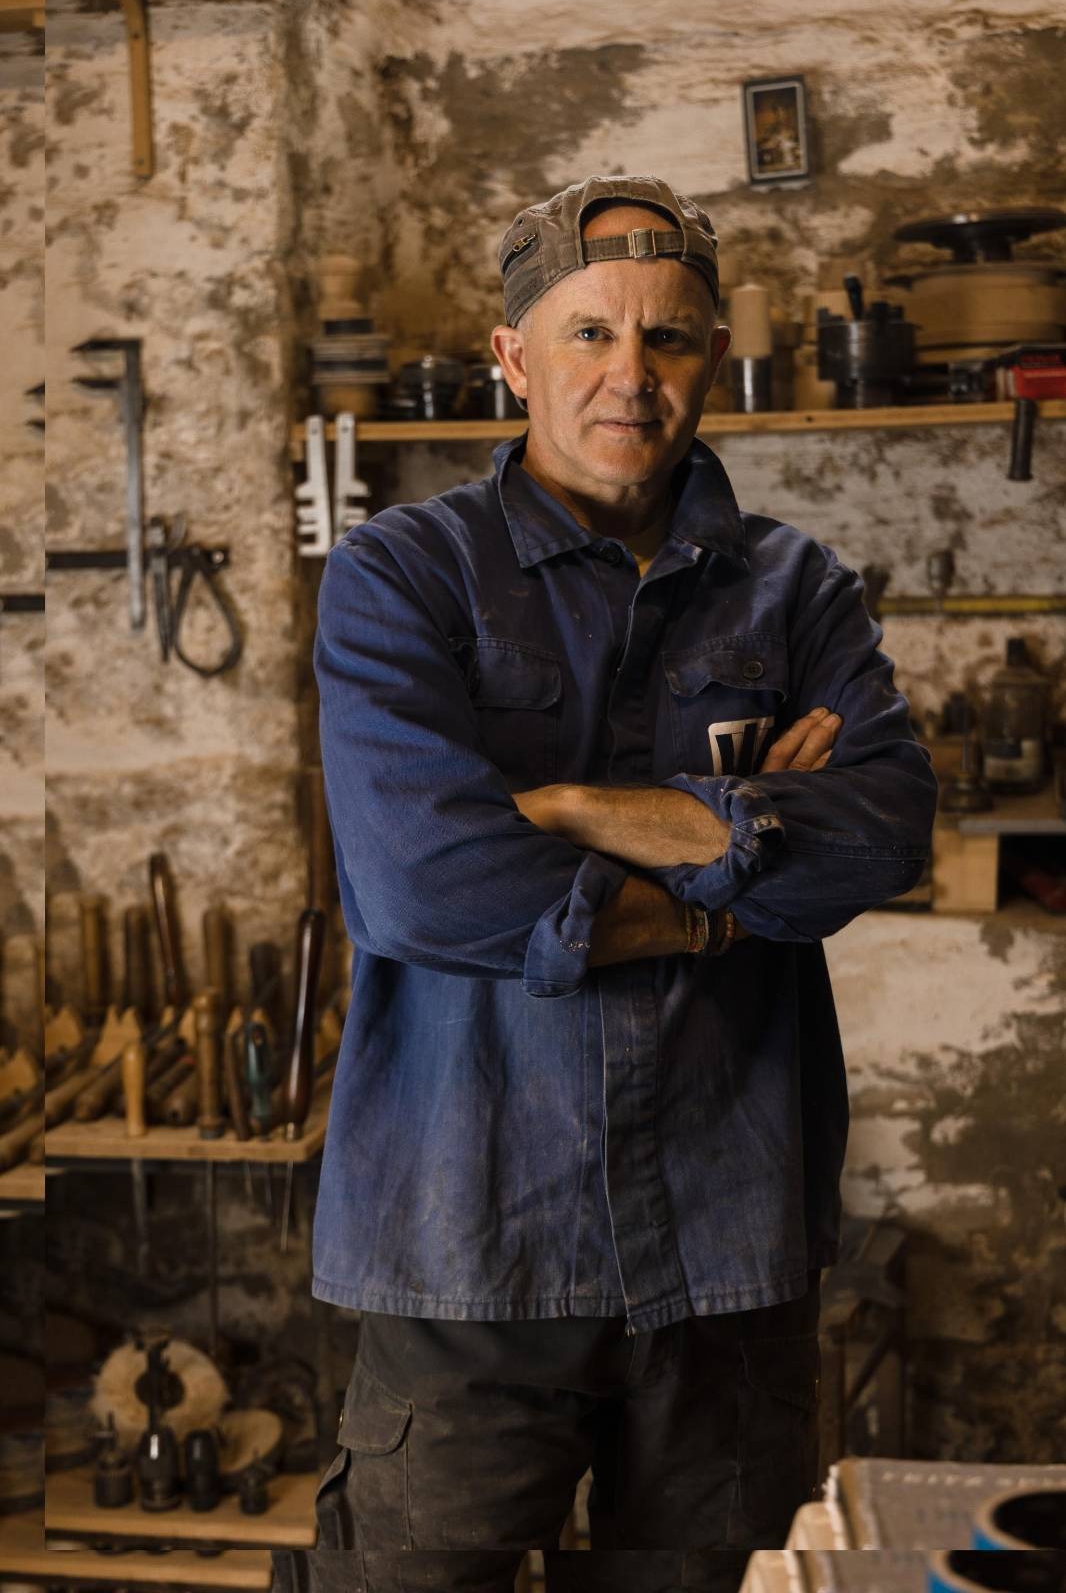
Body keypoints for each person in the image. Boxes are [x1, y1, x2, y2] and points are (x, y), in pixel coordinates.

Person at [281, 175, 937, 1593]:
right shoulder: (403, 579)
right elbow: (423, 886)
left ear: (711, 356)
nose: (628, 376)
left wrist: (579, 811)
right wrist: (741, 855)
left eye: (670, 338)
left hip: (727, 1251)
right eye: (586, 335)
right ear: (513, 356)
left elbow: (884, 833)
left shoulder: (796, 589)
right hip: (466, 1243)